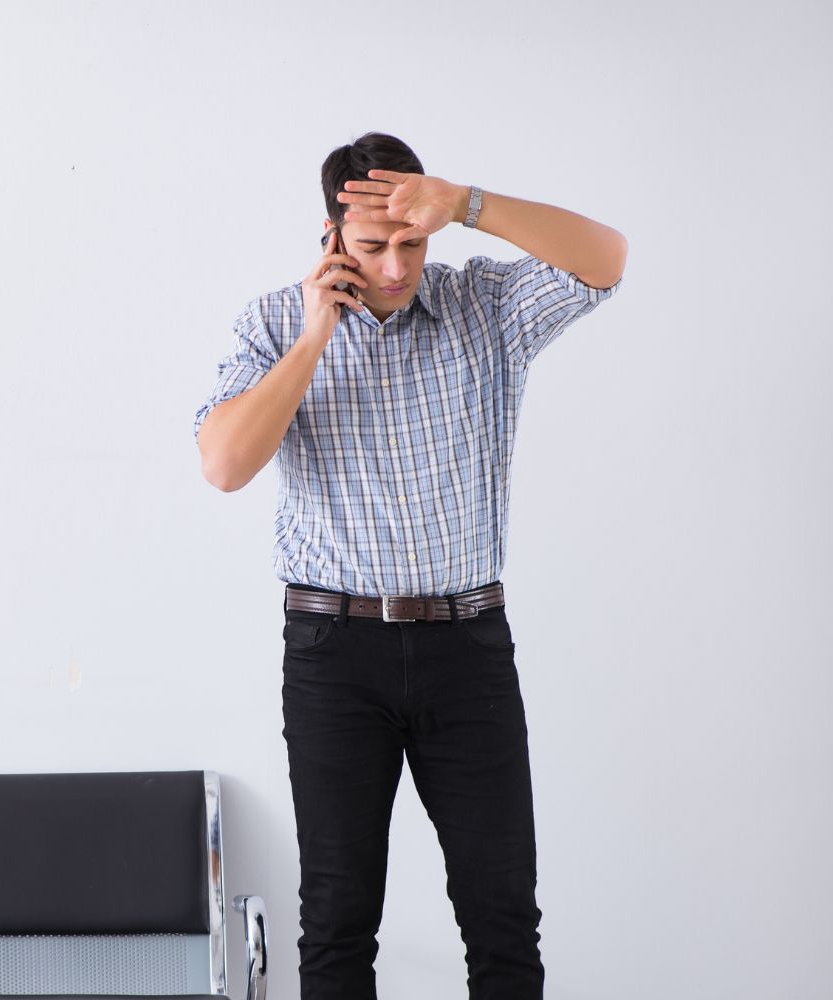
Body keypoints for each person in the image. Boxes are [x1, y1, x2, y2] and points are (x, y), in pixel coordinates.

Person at [192, 132, 627, 1000]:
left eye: (412, 243)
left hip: (467, 647)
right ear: (330, 237)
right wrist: (316, 336)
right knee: (340, 922)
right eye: (372, 246)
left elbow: (608, 260)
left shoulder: (484, 307)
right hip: (333, 653)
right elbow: (225, 466)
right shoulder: (274, 323)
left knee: (503, 917)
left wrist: (467, 203)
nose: (395, 266)